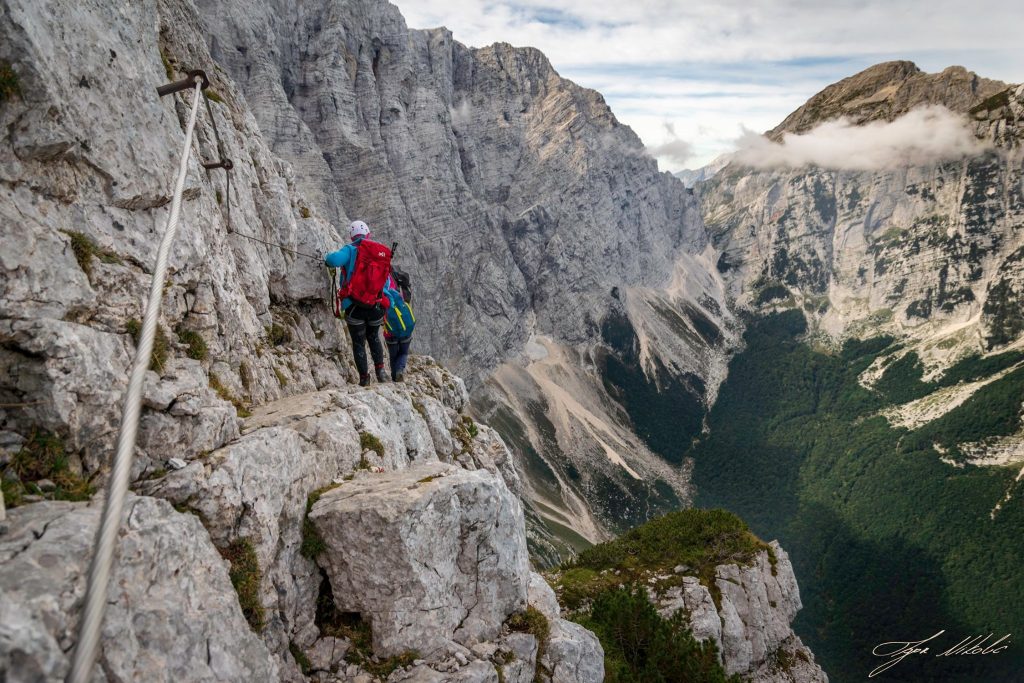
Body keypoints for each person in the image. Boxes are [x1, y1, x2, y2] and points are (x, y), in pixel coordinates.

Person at [325, 220, 392, 386]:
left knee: (358, 342)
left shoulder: (350, 250)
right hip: (375, 306)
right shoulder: (378, 253)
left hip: (354, 306)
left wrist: (326, 259)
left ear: (351, 236)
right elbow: (386, 283)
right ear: (368, 234)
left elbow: (333, 260)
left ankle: (364, 378)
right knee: (374, 337)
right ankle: (381, 372)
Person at [382, 272, 414, 381]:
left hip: (390, 331)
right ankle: (400, 370)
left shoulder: (379, 292)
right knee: (404, 352)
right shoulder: (394, 279)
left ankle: (394, 376)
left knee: (393, 355)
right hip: (405, 326)